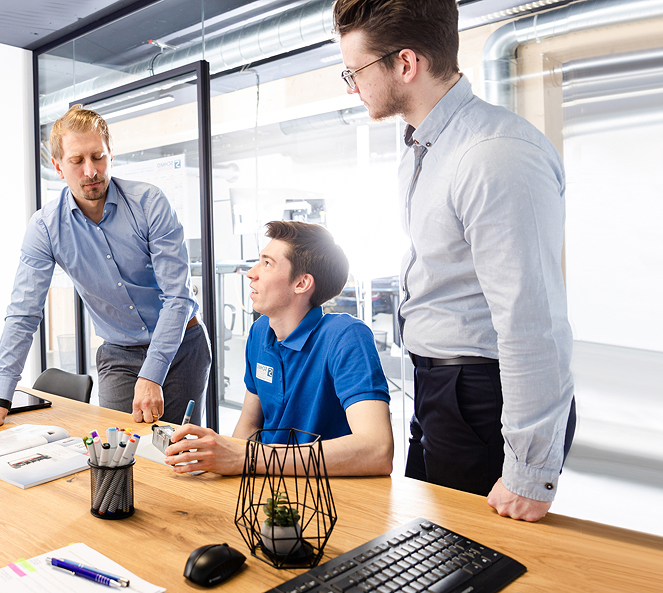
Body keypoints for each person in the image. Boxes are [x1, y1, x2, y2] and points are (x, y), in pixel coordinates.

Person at [333, 0, 576, 521]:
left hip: (483, 398)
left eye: (354, 71)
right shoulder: (422, 148)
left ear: (405, 63)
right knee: (428, 543)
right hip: (441, 389)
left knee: (474, 561)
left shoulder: (494, 154)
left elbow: (533, 323)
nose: (351, 86)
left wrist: (529, 472)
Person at [0, 105, 210, 434]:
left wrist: (152, 374)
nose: (90, 171)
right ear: (57, 166)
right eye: (77, 161)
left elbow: (178, 297)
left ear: (110, 154)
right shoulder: (45, 228)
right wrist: (0, 401)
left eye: (98, 157)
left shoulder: (150, 203)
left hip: (182, 345)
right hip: (119, 354)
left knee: (181, 453)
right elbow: (23, 313)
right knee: (117, 454)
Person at [164, 221, 393, 477]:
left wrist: (245, 458)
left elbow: (377, 450)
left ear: (302, 283)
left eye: (267, 263)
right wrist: (219, 467)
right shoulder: (260, 331)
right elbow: (250, 424)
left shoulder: (346, 336)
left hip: (327, 495)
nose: (251, 273)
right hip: (266, 486)